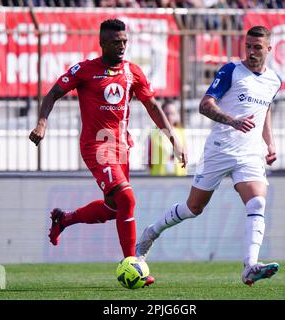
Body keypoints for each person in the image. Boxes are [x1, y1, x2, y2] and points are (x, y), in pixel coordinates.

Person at [29, 18, 186, 287]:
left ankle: (64, 219)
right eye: (116, 42)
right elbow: (53, 93)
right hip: (96, 145)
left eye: (124, 41)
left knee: (114, 208)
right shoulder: (85, 70)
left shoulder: (132, 72)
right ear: (102, 43)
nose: (122, 46)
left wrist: (172, 137)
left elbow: (151, 106)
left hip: (121, 147)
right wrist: (42, 122)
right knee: (126, 198)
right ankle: (133, 263)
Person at [136, 25, 281, 287]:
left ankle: (250, 266)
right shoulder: (231, 71)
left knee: (257, 203)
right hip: (219, 149)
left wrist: (269, 143)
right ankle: (151, 232)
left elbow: (266, 109)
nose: (250, 51)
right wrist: (232, 120)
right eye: (247, 46)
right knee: (194, 208)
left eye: (257, 47)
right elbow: (205, 105)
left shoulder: (274, 81)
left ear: (269, 49)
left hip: (249, 153)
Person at [148, 100, 187, 176]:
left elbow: (185, 154)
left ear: (176, 115)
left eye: (172, 114)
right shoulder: (153, 133)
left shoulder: (181, 132)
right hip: (159, 177)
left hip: (178, 177)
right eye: (166, 114)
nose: (169, 117)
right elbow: (149, 159)